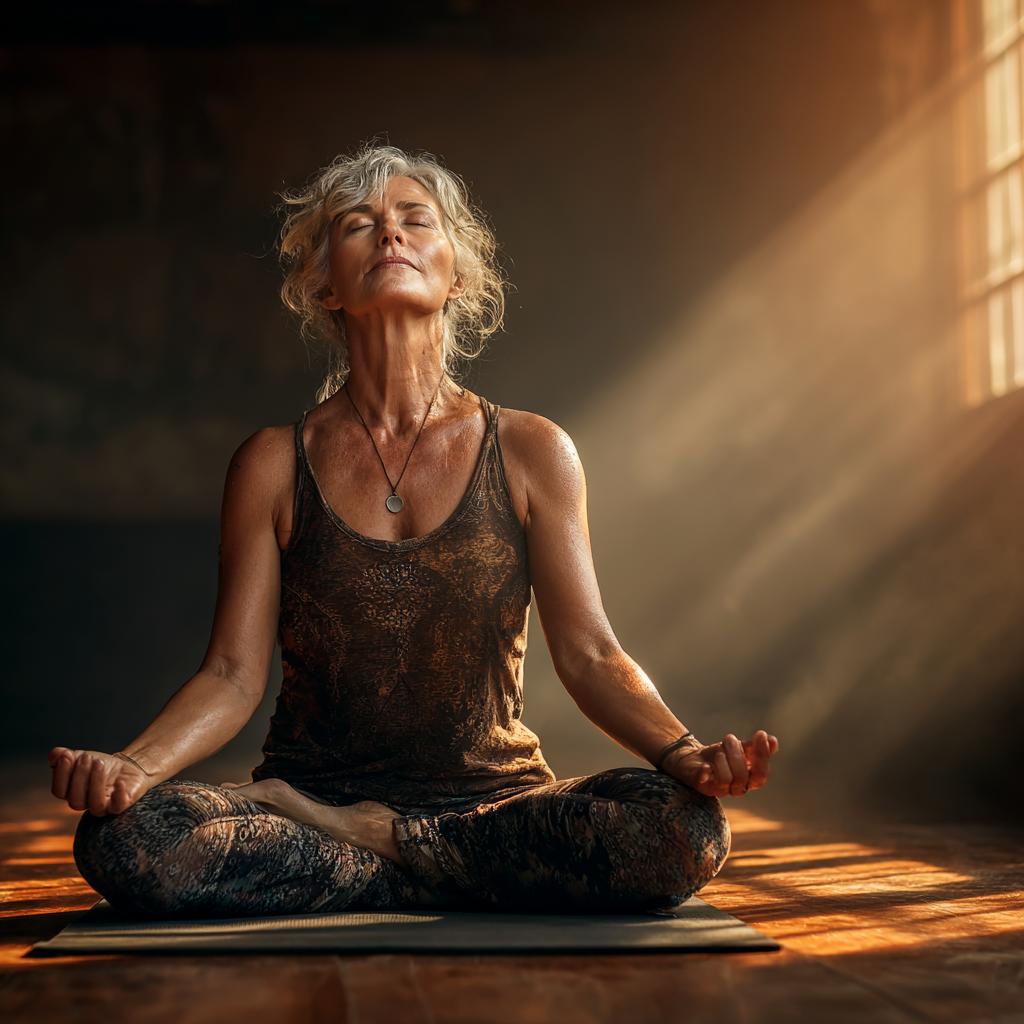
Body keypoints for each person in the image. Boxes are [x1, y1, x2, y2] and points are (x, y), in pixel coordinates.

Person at [49, 144, 779, 919]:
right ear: (325, 283)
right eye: (360, 225)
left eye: (414, 220)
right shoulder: (270, 463)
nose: (389, 235)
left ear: (456, 273)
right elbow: (232, 675)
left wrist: (682, 752)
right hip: (307, 795)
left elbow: (592, 654)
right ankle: (433, 864)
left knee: (683, 829)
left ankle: (369, 848)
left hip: (491, 807)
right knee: (127, 839)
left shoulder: (532, 450)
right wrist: (132, 766)